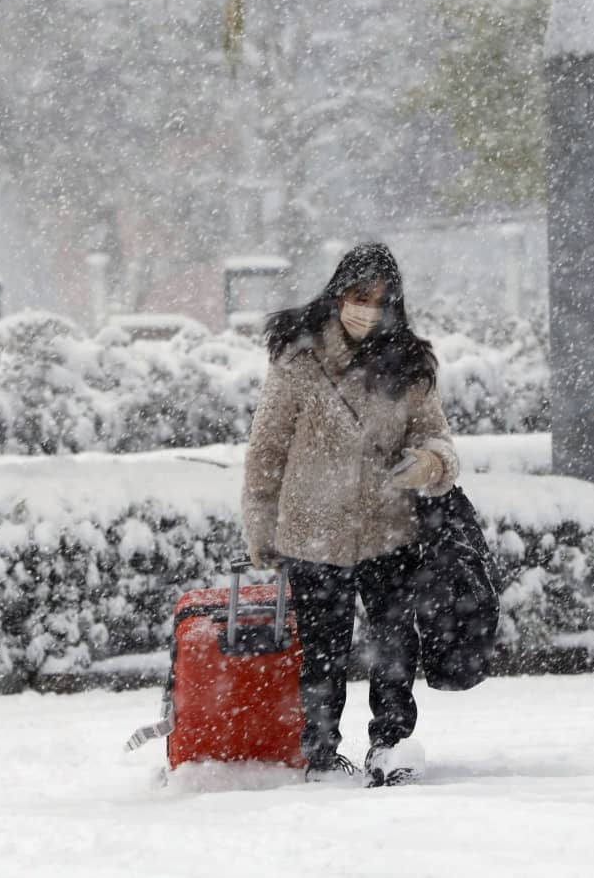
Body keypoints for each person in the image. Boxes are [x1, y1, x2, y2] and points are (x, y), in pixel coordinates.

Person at [242, 242, 458, 786]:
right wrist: (261, 529)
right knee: (321, 651)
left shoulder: (408, 363)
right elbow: (267, 451)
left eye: (381, 301)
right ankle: (319, 752)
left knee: (394, 646)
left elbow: (437, 438)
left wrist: (428, 464)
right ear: (340, 294)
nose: (369, 309)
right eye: (361, 297)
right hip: (311, 531)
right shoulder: (299, 358)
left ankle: (391, 744)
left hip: (390, 528)